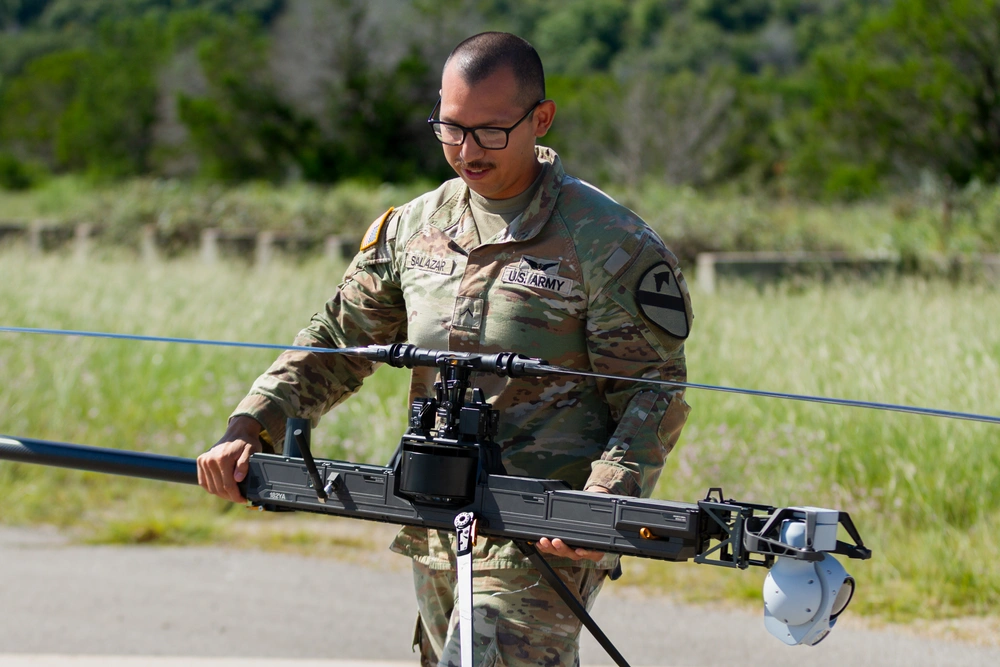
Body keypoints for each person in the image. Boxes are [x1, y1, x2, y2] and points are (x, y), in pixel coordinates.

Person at [197, 31, 693, 667]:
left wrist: (602, 504)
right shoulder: (413, 227)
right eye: (450, 128)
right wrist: (251, 425)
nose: (467, 150)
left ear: (540, 118)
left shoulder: (607, 242)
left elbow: (654, 392)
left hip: (543, 530)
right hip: (435, 515)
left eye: (490, 131)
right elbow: (339, 341)